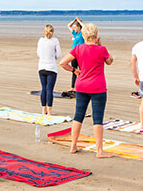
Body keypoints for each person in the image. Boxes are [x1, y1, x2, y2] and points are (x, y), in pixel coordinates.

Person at [59, 23, 114, 158]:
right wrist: (100, 45)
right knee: (97, 119)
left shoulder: (78, 48)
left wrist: (75, 70)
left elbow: (62, 63)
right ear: (96, 36)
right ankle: (99, 151)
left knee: (78, 116)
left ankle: (73, 146)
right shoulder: (101, 49)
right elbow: (110, 61)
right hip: (98, 87)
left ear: (83, 35)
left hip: (82, 86)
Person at [37, 24, 61, 115]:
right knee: (49, 89)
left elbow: (39, 53)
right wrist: (52, 57)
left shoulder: (40, 40)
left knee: (44, 88)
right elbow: (58, 55)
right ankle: (50, 111)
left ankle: (43, 110)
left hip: (42, 67)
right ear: (52, 32)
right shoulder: (55, 41)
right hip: (51, 68)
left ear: (44, 32)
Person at [65, 17, 85, 96]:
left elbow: (85, 27)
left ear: (79, 27)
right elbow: (68, 26)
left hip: (81, 55)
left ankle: (82, 86)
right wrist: (74, 21)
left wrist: (79, 21)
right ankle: (72, 87)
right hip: (73, 55)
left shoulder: (82, 34)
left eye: (75, 27)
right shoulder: (75, 33)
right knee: (74, 70)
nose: (74, 28)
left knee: (81, 70)